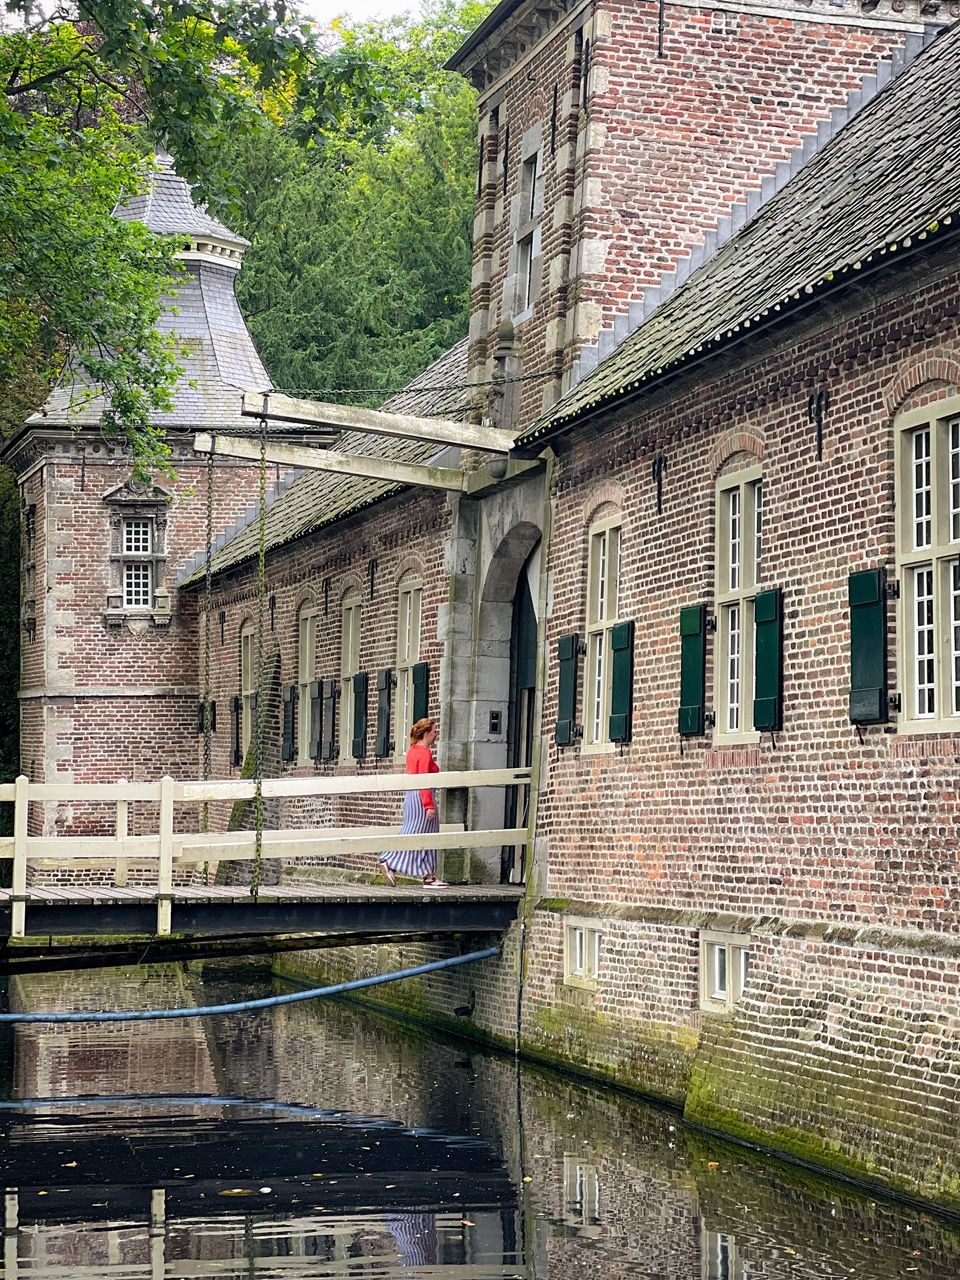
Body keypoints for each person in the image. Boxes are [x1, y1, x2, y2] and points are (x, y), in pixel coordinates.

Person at [378, 717, 447, 888]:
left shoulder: (412, 751)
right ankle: (390, 861)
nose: (436, 734)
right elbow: (423, 780)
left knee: (414, 832)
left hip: (411, 797)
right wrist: (429, 806)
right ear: (426, 734)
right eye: (434, 731)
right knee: (424, 835)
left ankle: (428, 875)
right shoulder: (424, 752)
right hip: (422, 797)